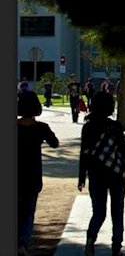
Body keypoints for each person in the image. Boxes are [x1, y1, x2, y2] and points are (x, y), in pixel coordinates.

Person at [79, 91, 125, 256]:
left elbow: (84, 153)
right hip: (116, 173)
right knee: (117, 212)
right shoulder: (115, 126)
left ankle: (90, 239)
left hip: (96, 173)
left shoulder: (88, 127)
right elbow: (123, 150)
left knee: (98, 212)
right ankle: (116, 247)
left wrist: (81, 176)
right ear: (110, 107)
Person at [18, 91, 59, 256]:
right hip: (32, 173)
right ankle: (23, 242)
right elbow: (54, 143)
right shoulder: (41, 128)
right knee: (28, 211)